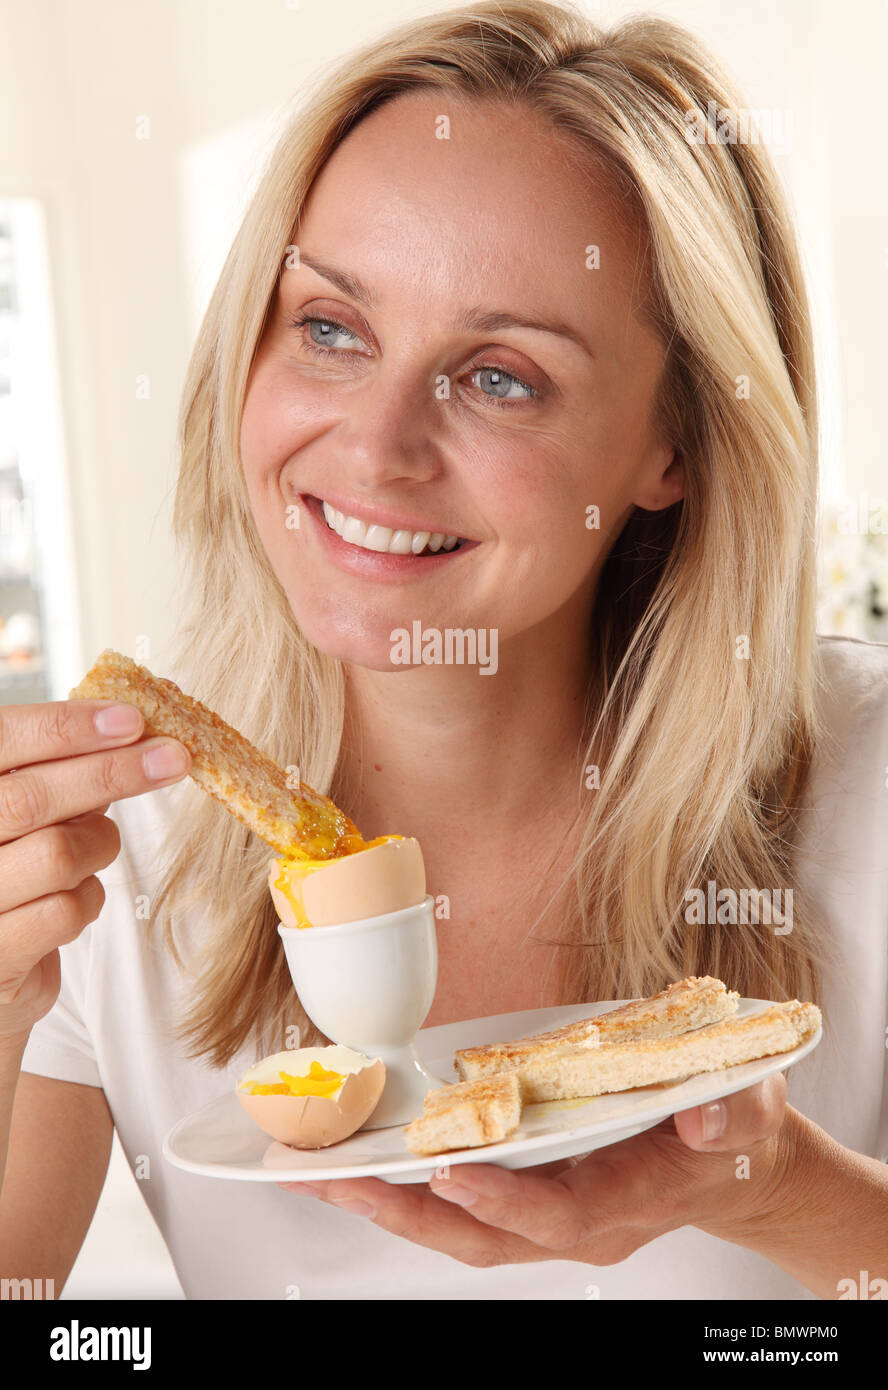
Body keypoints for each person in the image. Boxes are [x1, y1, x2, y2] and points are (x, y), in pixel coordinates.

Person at [1, 0, 886, 1301]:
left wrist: (790, 1199)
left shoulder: (867, 786)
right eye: (330, 328)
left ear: (674, 446)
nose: (374, 448)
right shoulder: (114, 859)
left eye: (501, 377)